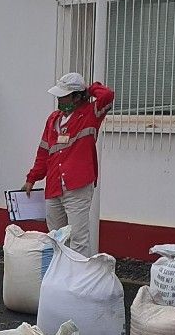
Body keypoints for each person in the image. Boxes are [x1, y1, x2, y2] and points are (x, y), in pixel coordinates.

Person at [24, 71, 116, 255]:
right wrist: (32, 178)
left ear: (76, 97)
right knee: (56, 237)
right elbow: (43, 152)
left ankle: (78, 281)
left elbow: (107, 95)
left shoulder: (91, 113)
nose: (59, 100)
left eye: (64, 96)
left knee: (78, 239)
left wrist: (87, 90)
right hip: (54, 185)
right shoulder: (53, 119)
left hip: (78, 185)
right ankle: (61, 278)